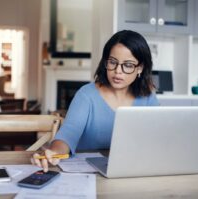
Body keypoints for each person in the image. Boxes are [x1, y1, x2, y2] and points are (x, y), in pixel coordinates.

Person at [31, 30, 159, 172]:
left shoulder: (148, 97)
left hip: (132, 171)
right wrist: (54, 152)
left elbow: (159, 138)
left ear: (140, 68)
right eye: (112, 62)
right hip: (88, 174)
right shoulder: (86, 95)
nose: (118, 71)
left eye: (128, 65)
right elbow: (68, 134)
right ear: (105, 62)